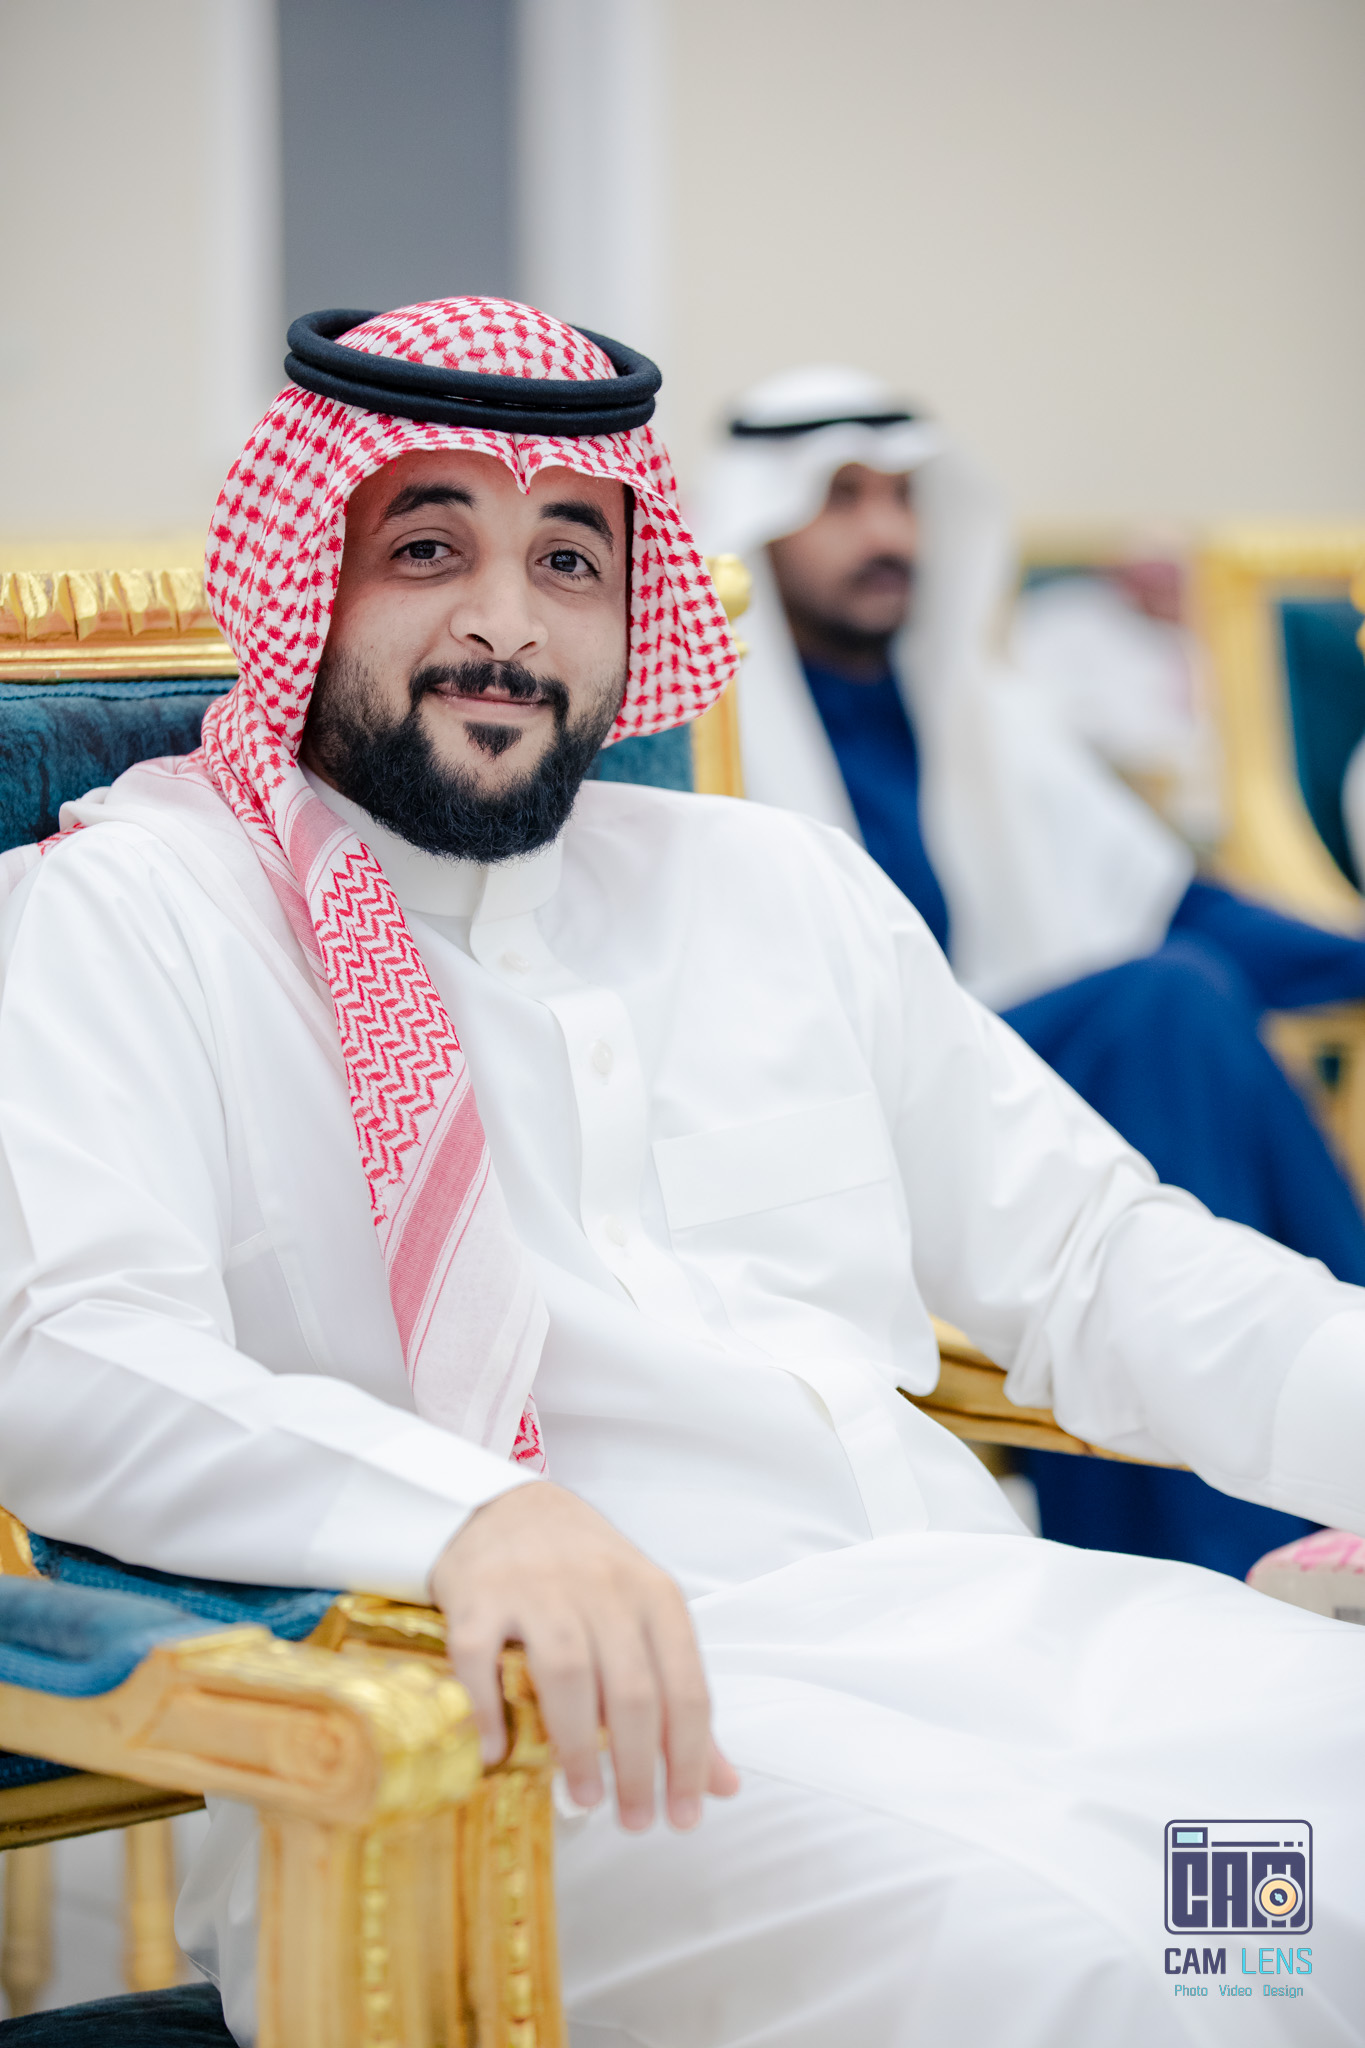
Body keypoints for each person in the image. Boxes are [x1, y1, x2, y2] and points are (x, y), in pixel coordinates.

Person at [2, 300, 1364, 2048]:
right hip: (518, 1745)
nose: (506, 623)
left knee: (1294, 1892)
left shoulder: (773, 890)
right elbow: (67, 1348)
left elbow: (1099, 1258)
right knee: (1122, 1976)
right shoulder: (138, 915)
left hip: (976, 1643)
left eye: (569, 559)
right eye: (429, 548)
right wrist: (464, 1511)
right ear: (309, 578)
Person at [700, 363, 1365, 1578]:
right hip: (840, 1112)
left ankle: (1293, 1478)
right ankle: (1254, 1527)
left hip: (1000, 1074)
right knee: (1166, 1002)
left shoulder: (972, 703)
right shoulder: (711, 724)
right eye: (843, 497)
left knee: (1180, 998)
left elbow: (1166, 897)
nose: (887, 534)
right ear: (762, 517)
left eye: (903, 496)